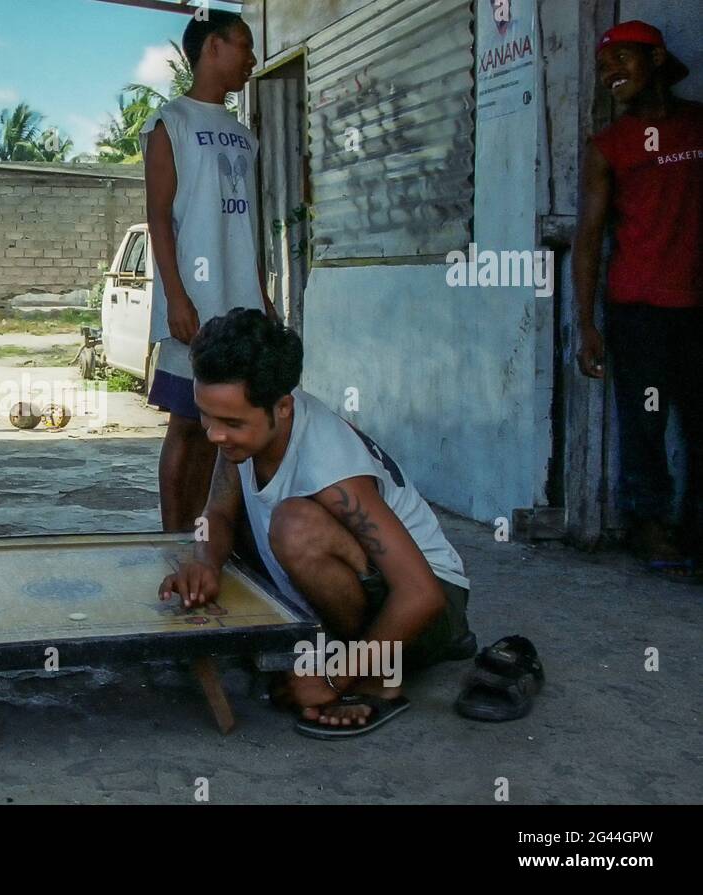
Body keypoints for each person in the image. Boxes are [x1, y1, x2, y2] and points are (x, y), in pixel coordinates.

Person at [158, 310, 476, 737]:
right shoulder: (242, 432)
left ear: (283, 407)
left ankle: (377, 678)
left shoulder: (334, 470)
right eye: (206, 415)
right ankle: (335, 651)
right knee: (245, 531)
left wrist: (332, 678)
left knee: (294, 526)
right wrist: (204, 563)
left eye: (231, 422)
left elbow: (422, 594)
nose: (214, 434)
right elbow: (218, 511)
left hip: (431, 611)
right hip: (382, 589)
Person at [574, 20, 702, 579]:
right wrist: (586, 324)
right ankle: (649, 527)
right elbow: (588, 238)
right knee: (645, 424)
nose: (611, 74)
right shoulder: (609, 146)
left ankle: (695, 533)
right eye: (604, 66)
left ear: (656, 61)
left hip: (698, 308)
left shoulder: (699, 126)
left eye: (622, 59)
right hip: (639, 308)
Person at [142, 10, 275, 533]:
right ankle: (173, 536)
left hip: (240, 306)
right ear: (212, 47)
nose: (251, 59)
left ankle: (209, 533)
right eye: (243, 45)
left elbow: (249, 228)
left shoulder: (244, 134)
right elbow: (158, 217)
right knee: (188, 423)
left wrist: (262, 295)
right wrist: (176, 297)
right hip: (193, 306)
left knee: (227, 428)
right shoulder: (169, 123)